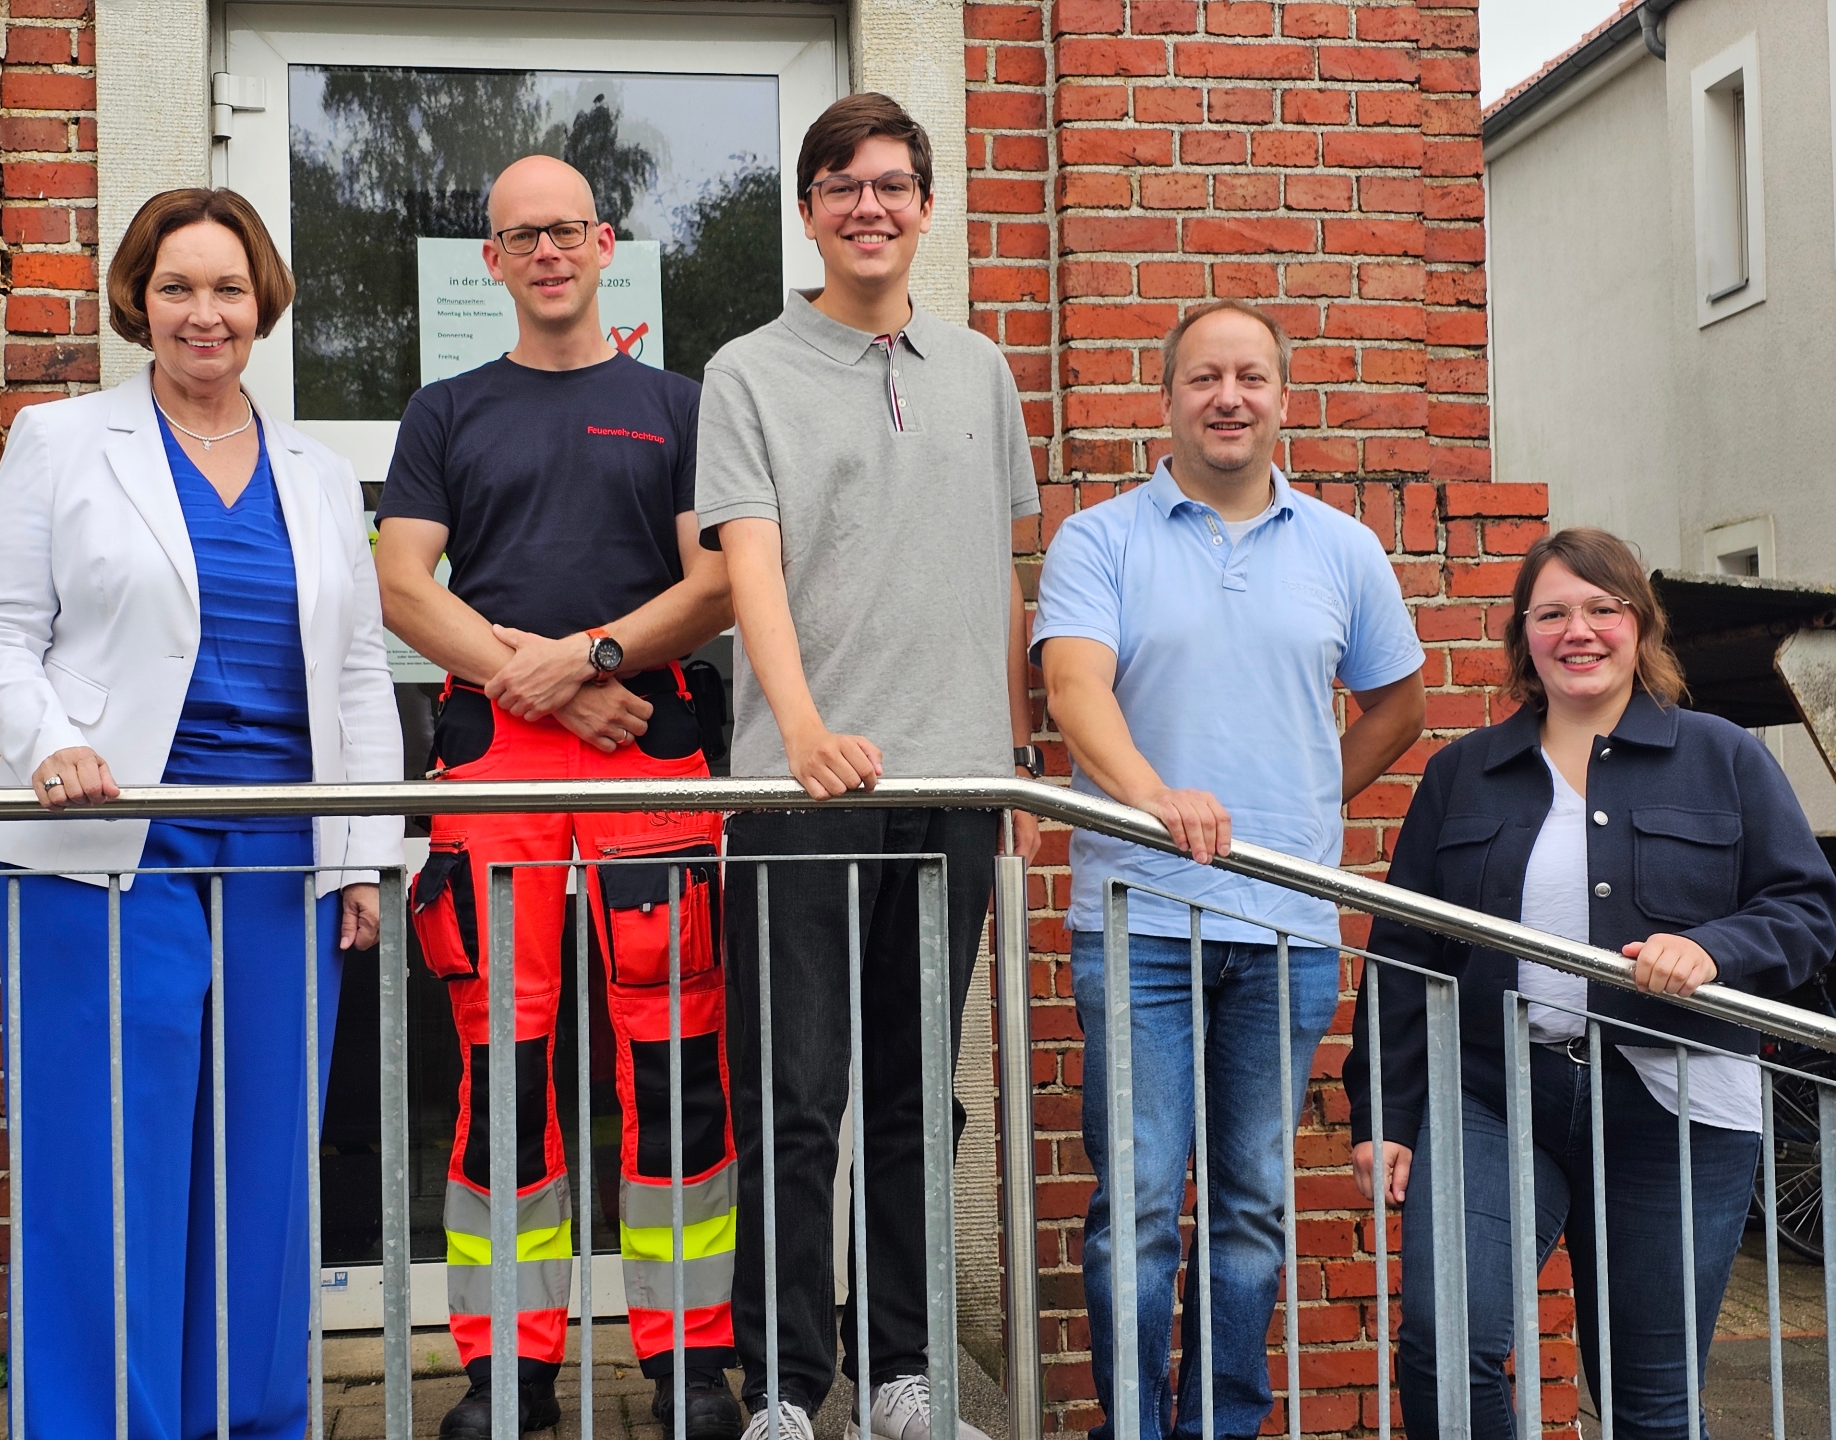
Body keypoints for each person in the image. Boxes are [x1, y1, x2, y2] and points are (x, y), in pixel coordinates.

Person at [0, 187, 402, 1440]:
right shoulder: (62, 439)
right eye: (177, 288)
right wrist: (54, 745)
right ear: (138, 304)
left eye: (228, 289)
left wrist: (362, 855)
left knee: (262, 1177)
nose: (204, 313)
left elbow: (359, 671)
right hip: (109, 844)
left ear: (264, 302)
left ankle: (248, 1420)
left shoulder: (315, 472)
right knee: (110, 1173)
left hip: (279, 853)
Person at [376, 154, 740, 1440]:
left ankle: (691, 1364)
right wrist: (546, 686)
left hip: (652, 763)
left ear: (605, 243)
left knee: (680, 1072)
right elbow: (404, 586)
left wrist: (590, 661)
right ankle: (506, 1373)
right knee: (503, 1077)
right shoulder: (446, 411)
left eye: (568, 230)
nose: (547, 251)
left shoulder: (680, 403)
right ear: (492, 258)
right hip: (499, 779)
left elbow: (719, 585)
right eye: (520, 233)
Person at [695, 92, 1042, 1440]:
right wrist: (797, 725)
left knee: (915, 1098)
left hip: (954, 792)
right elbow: (752, 571)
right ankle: (785, 1384)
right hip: (802, 794)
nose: (869, 208)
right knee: (794, 1099)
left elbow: (997, 574)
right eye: (842, 186)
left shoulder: (980, 372)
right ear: (810, 210)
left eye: (893, 185)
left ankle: (906, 1376)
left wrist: (1008, 755)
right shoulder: (747, 373)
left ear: (927, 206)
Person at [1032, 299, 1427, 1440]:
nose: (1229, 397)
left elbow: (1399, 701)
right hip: (1140, 921)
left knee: (1252, 1205)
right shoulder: (1100, 540)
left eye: (1251, 377)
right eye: (1205, 377)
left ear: (1282, 397)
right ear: (1168, 399)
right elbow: (1073, 691)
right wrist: (1157, 801)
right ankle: (1136, 1429)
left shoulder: (1341, 549)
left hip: (1288, 932)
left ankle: (1224, 1424)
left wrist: (1309, 801)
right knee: (1142, 1205)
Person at [1346, 527, 1836, 1439]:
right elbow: (1406, 948)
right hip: (1498, 1093)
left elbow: (1807, 910)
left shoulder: (1723, 757)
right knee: (1446, 1349)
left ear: (1641, 626)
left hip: (1677, 1102)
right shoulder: (1465, 775)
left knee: (1648, 1394)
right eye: (1553, 613)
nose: (1580, 631)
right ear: (1524, 638)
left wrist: (1715, 949)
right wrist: (1386, 1111)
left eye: (1603, 609)